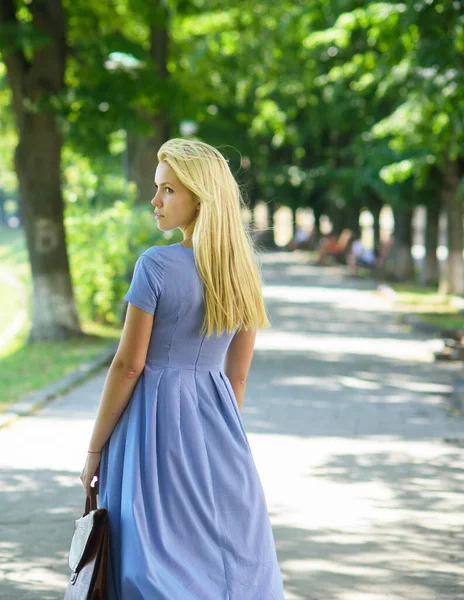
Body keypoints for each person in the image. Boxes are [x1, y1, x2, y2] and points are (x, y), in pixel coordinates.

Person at [80, 138, 286, 599]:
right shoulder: (243, 272)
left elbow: (129, 367)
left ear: (199, 196)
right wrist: (211, 435)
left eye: (168, 190)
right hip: (218, 430)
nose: (155, 200)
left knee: (147, 557)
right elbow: (237, 377)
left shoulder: (155, 265)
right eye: (158, 189)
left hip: (148, 431)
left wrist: (95, 449)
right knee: (223, 558)